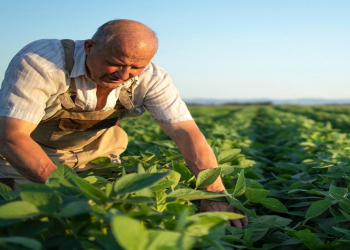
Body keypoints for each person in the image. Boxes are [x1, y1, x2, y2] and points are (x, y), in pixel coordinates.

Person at [0, 19, 248, 228]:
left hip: (97, 156)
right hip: (27, 156)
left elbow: (185, 133)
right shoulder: (40, 62)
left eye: (135, 67)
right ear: (89, 47)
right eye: (116, 63)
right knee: (34, 222)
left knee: (115, 222)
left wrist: (213, 194)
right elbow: (12, 137)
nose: (123, 74)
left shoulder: (152, 77)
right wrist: (73, 192)